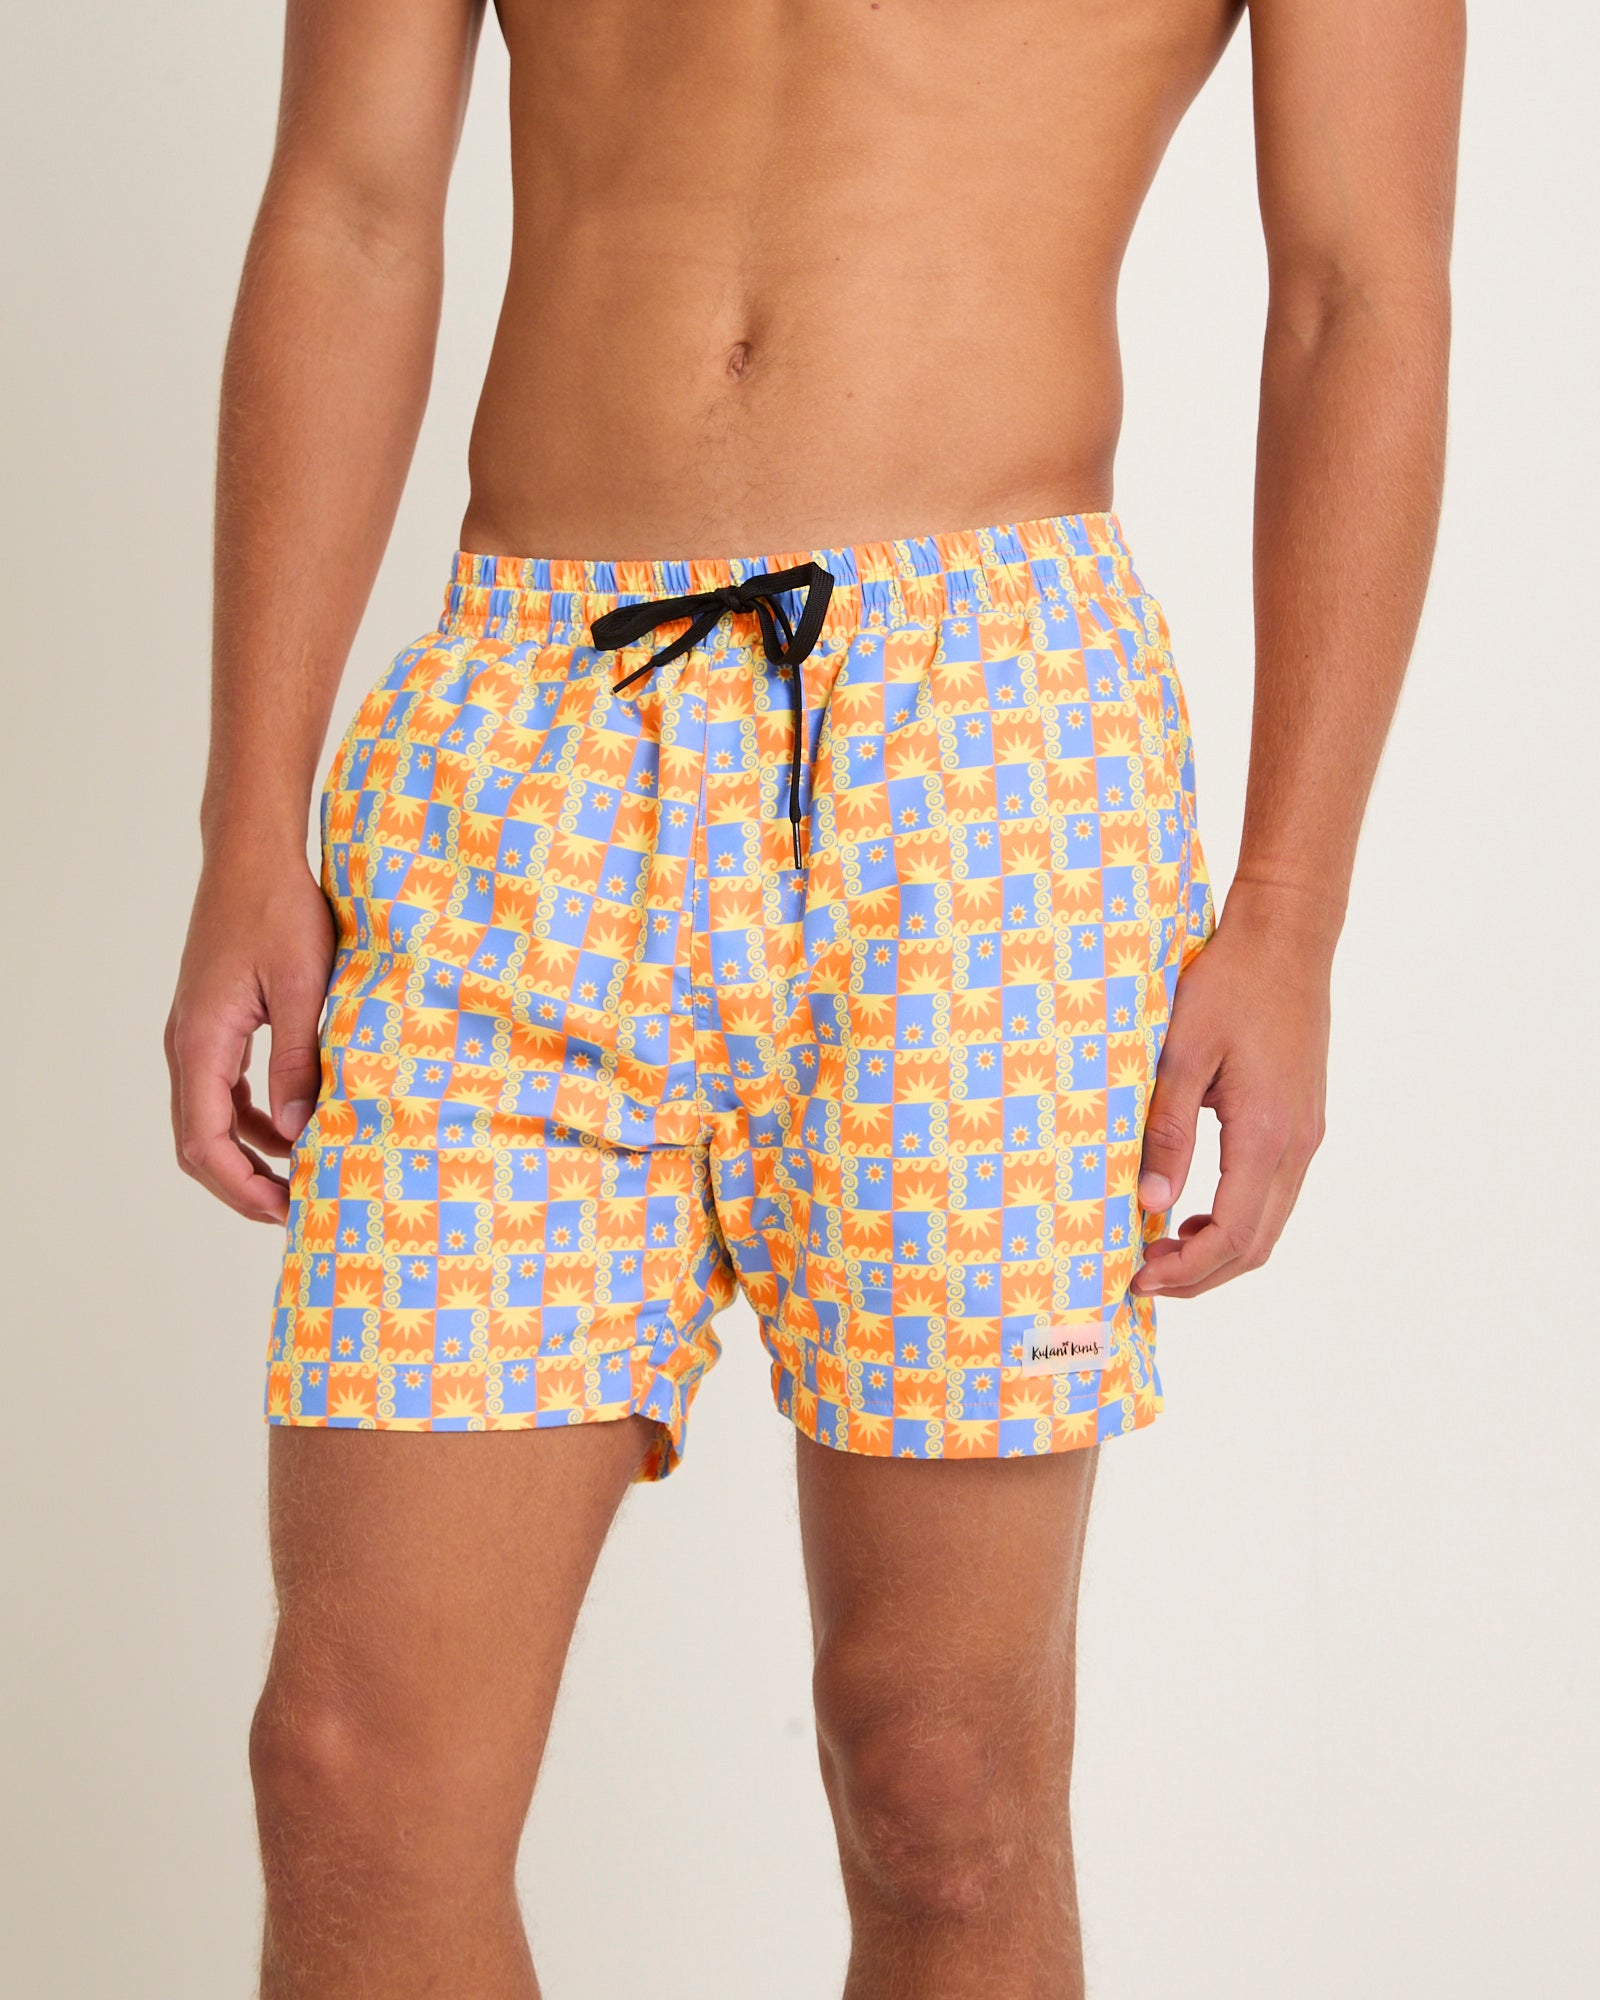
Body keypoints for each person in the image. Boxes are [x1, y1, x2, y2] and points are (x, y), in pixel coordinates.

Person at [165, 1, 1464, 1993]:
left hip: (985, 755)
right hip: (524, 730)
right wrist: (246, 817)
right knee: (349, 1772)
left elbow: (1357, 298)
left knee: (940, 1778)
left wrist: (1286, 916)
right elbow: (348, 208)